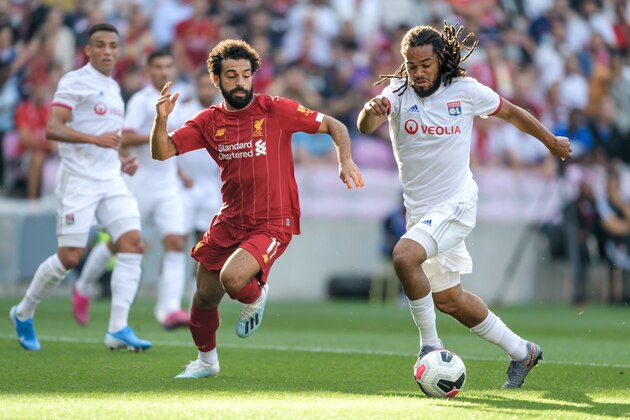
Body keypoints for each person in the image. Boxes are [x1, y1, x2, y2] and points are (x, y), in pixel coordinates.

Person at [357, 22, 572, 389]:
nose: (418, 72)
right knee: (449, 300)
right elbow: (365, 125)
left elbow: (513, 113)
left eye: (425, 64)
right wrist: (371, 109)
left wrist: (550, 141)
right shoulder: (397, 92)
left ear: (440, 60)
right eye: (411, 65)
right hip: (422, 213)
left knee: (403, 256)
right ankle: (523, 351)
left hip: (456, 203)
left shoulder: (466, 91)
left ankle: (429, 347)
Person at [150, 39, 364, 378]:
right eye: (231, 75)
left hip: (272, 219)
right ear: (217, 80)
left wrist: (345, 160)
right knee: (204, 296)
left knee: (233, 279)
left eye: (246, 74)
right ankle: (206, 362)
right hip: (230, 217)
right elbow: (162, 152)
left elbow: (335, 126)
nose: (240, 82)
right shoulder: (208, 121)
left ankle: (256, 294)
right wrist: (160, 120)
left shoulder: (275, 109)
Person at [9, 23, 151, 352]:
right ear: (87, 51)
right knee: (70, 257)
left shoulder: (114, 89)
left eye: (112, 45)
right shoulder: (75, 81)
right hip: (78, 179)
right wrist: (94, 140)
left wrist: (121, 159)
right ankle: (24, 310)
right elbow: (53, 127)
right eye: (99, 45)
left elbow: (108, 138)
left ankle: (118, 328)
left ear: (118, 50)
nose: (106, 51)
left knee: (132, 243)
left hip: (110, 179)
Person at [71, 49, 191, 330]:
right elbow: (125, 136)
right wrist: (161, 130)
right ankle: (84, 285)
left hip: (169, 185)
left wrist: (182, 172)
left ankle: (169, 309)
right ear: (149, 72)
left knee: (175, 242)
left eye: (168, 66)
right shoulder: (141, 101)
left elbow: (174, 145)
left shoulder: (180, 99)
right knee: (117, 243)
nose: (164, 71)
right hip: (140, 185)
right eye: (158, 67)